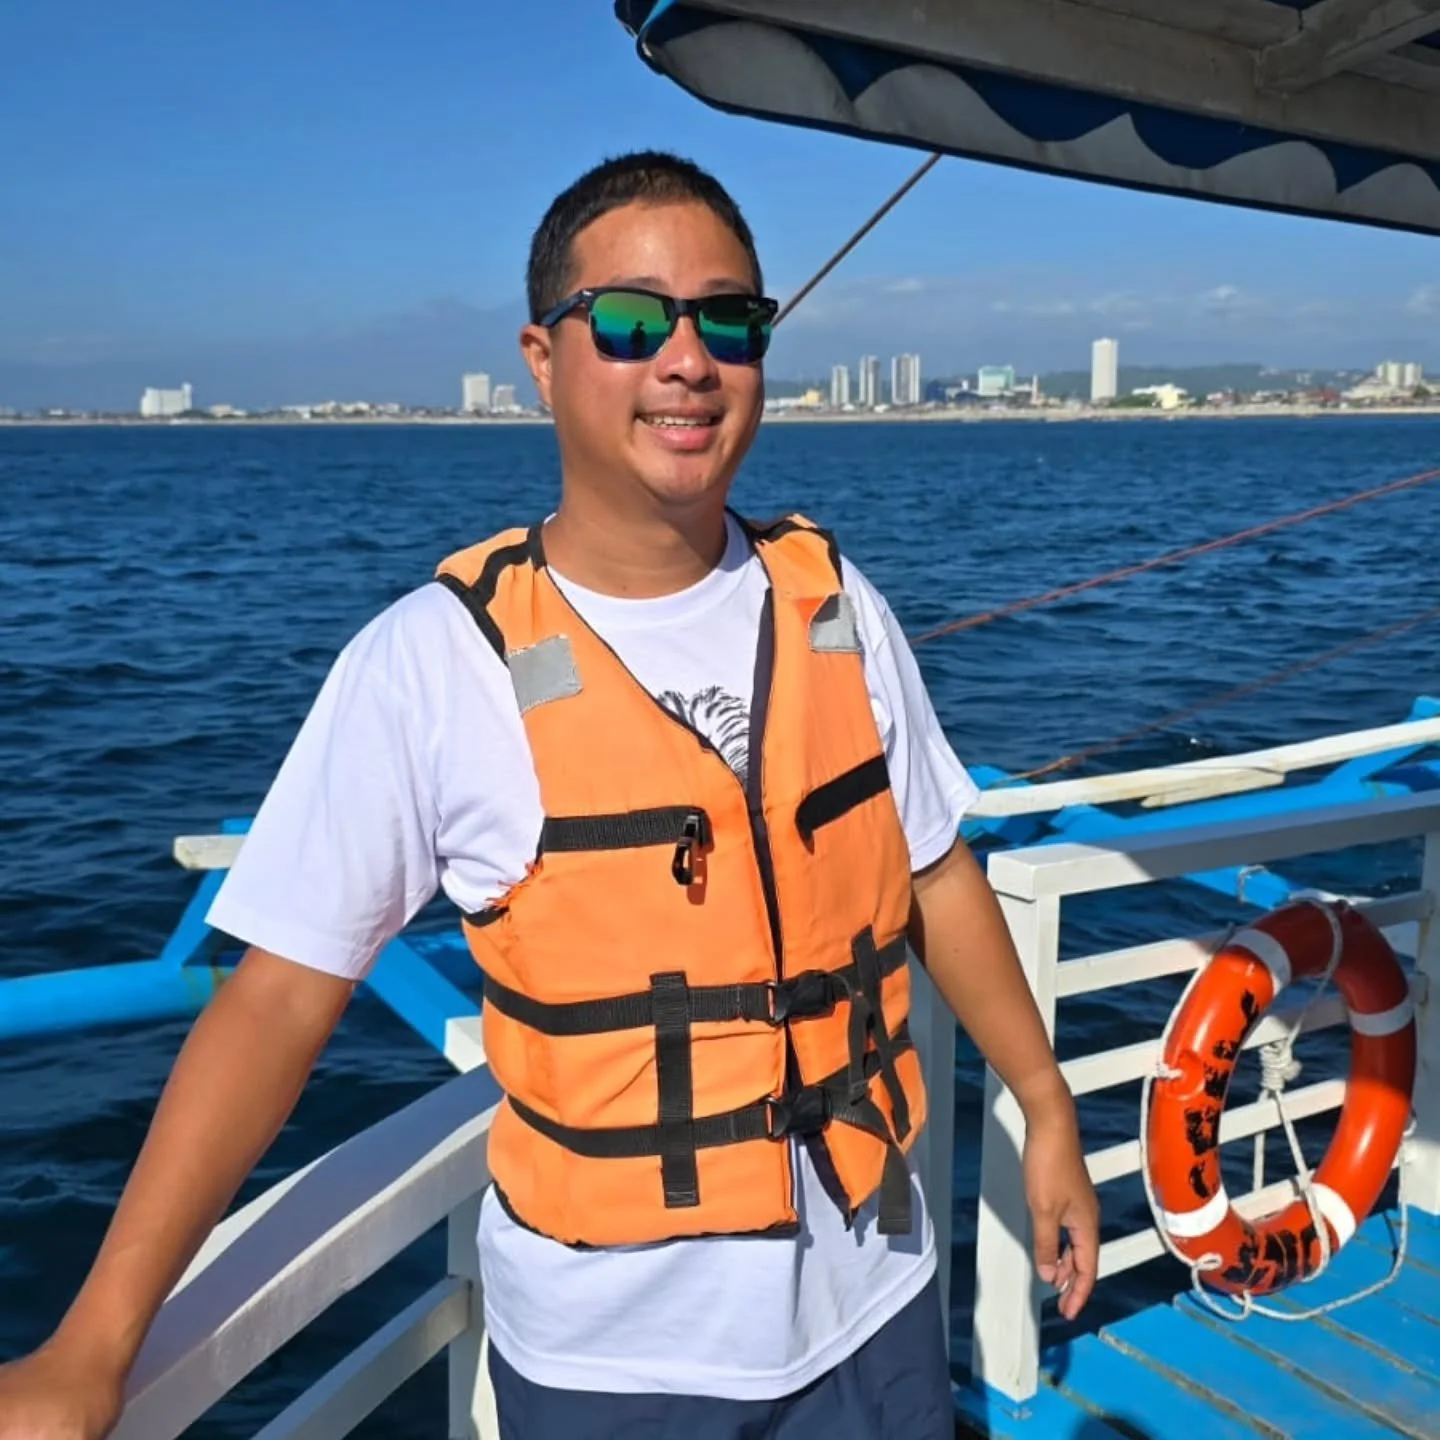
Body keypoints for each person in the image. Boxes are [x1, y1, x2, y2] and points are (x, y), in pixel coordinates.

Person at [0, 151, 1098, 1440]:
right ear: (541, 358)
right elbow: (278, 999)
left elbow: (933, 870)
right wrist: (94, 1347)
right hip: (613, 1372)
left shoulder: (837, 604)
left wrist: (1047, 1107)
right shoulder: (430, 664)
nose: (687, 363)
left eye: (729, 322)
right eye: (631, 322)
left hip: (880, 1306)